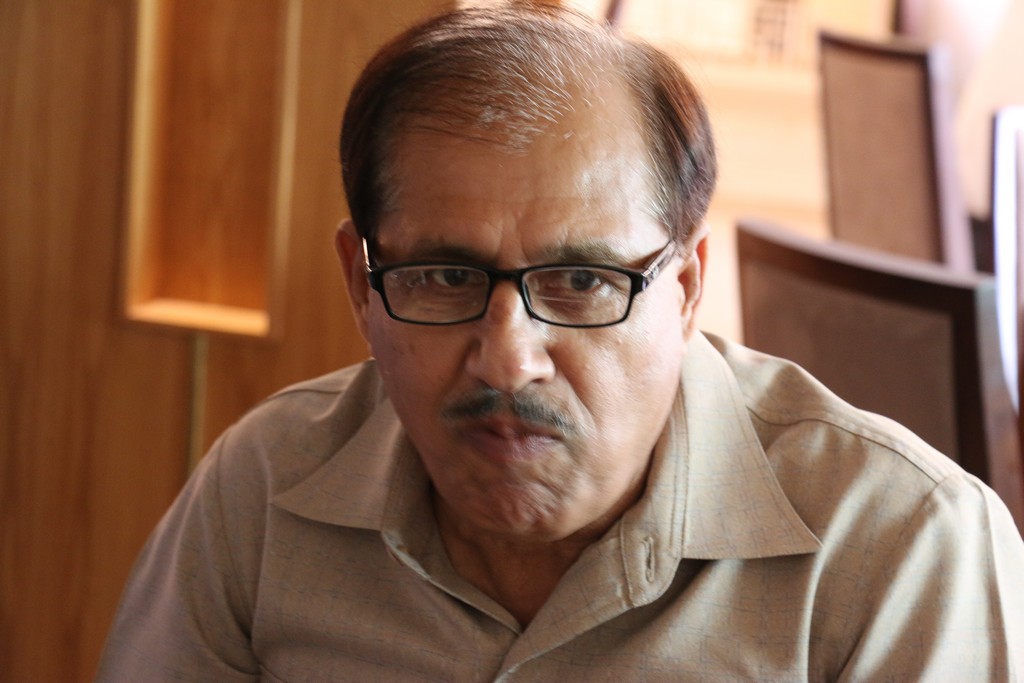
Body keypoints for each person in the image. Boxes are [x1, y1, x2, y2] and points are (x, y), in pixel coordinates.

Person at [97, 3, 1024, 680]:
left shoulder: (898, 548)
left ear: (686, 287)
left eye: (582, 281)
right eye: (445, 277)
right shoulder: (266, 489)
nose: (508, 359)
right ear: (359, 282)